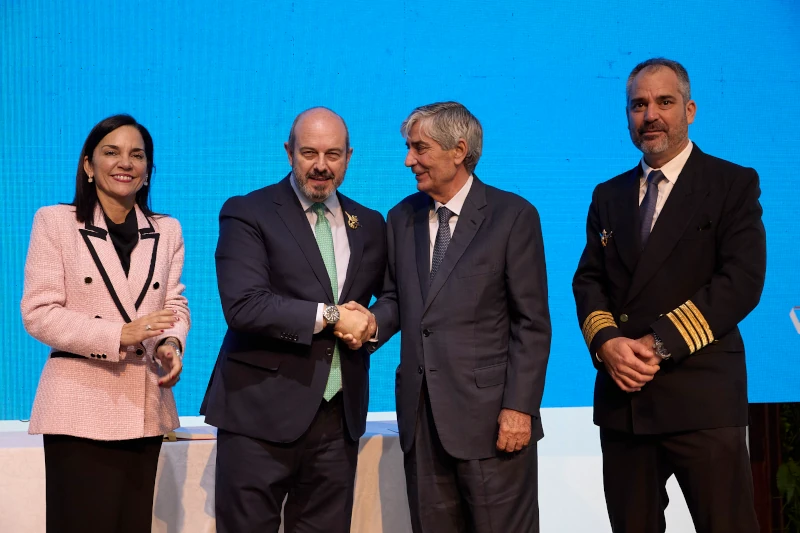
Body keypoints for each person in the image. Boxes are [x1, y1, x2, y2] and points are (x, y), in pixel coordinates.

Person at [572, 58, 766, 533]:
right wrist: (608, 344)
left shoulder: (730, 184)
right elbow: (588, 281)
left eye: (664, 102)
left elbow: (741, 281)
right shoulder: (607, 195)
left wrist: (656, 344)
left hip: (701, 398)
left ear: (690, 110)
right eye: (638, 105)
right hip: (625, 403)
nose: (650, 115)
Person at [343, 101, 551, 532]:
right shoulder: (402, 218)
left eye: (419, 148)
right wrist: (371, 323)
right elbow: (398, 298)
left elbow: (532, 324)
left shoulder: (512, 217)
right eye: (408, 147)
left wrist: (519, 408)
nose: (408, 160)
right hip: (422, 421)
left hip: (493, 423)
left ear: (458, 150)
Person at [200, 107, 387, 533]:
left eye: (333, 154)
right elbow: (244, 304)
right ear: (289, 152)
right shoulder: (248, 212)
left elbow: (392, 297)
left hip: (338, 420)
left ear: (349, 157)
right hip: (257, 417)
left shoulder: (370, 224)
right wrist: (333, 316)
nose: (321, 166)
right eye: (309, 152)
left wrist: (374, 324)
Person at [21, 114, 190, 533]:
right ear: (88, 165)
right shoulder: (56, 222)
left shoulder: (166, 230)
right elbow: (38, 312)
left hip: (143, 402)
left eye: (137, 155)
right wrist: (118, 334)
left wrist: (171, 343)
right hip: (78, 405)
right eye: (111, 152)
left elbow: (174, 303)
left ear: (148, 170)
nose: (125, 163)